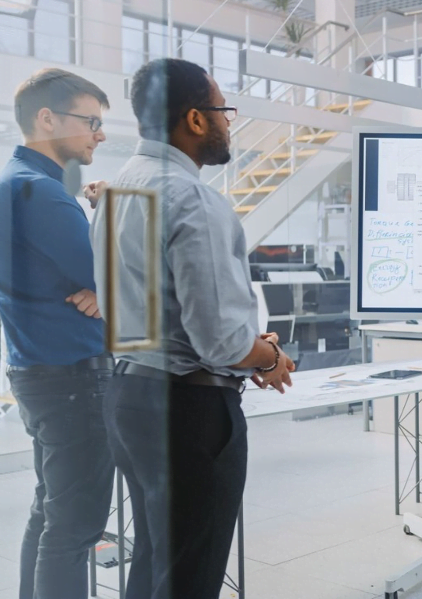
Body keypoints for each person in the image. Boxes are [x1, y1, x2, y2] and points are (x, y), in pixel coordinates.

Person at [90, 58, 295, 599]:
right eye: (223, 110)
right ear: (196, 120)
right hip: (188, 413)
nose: (229, 122)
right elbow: (222, 341)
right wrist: (271, 357)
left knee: (156, 563)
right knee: (191, 577)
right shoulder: (194, 201)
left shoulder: (117, 192)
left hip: (130, 397)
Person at [0, 68, 113, 599]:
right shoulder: (42, 194)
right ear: (47, 119)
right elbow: (121, 284)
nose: (100, 133)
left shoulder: (13, 183)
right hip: (73, 381)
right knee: (75, 529)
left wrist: (105, 291)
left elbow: (101, 287)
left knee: (50, 515)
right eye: (91, 121)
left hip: (37, 371)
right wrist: (109, 210)